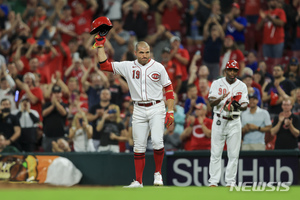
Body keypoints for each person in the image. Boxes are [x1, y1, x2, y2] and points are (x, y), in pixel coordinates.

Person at [94, 36, 175, 188]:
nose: (145, 55)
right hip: (138, 108)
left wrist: (170, 111)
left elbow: (169, 89)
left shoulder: (158, 67)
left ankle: (158, 174)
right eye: (142, 52)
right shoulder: (128, 66)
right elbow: (104, 65)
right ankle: (138, 181)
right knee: (138, 146)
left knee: (157, 141)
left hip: (157, 106)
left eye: (147, 52)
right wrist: (100, 46)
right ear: (136, 53)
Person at [208, 60, 249, 187]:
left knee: (233, 154)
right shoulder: (216, 83)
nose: (232, 72)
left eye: (234, 70)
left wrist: (238, 106)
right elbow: (211, 102)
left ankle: (230, 182)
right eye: (230, 70)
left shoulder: (242, 86)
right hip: (220, 119)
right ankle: (213, 182)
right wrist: (222, 99)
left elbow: (245, 104)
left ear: (237, 71)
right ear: (225, 70)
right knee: (215, 153)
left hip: (234, 121)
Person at [42, 85, 68, 152]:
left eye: (58, 93)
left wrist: (56, 103)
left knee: (62, 155)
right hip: (48, 136)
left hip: (60, 136)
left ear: (61, 94)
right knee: (48, 155)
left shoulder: (64, 104)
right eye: (55, 93)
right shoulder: (47, 104)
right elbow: (44, 113)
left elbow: (64, 113)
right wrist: (53, 105)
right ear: (52, 94)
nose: (56, 95)